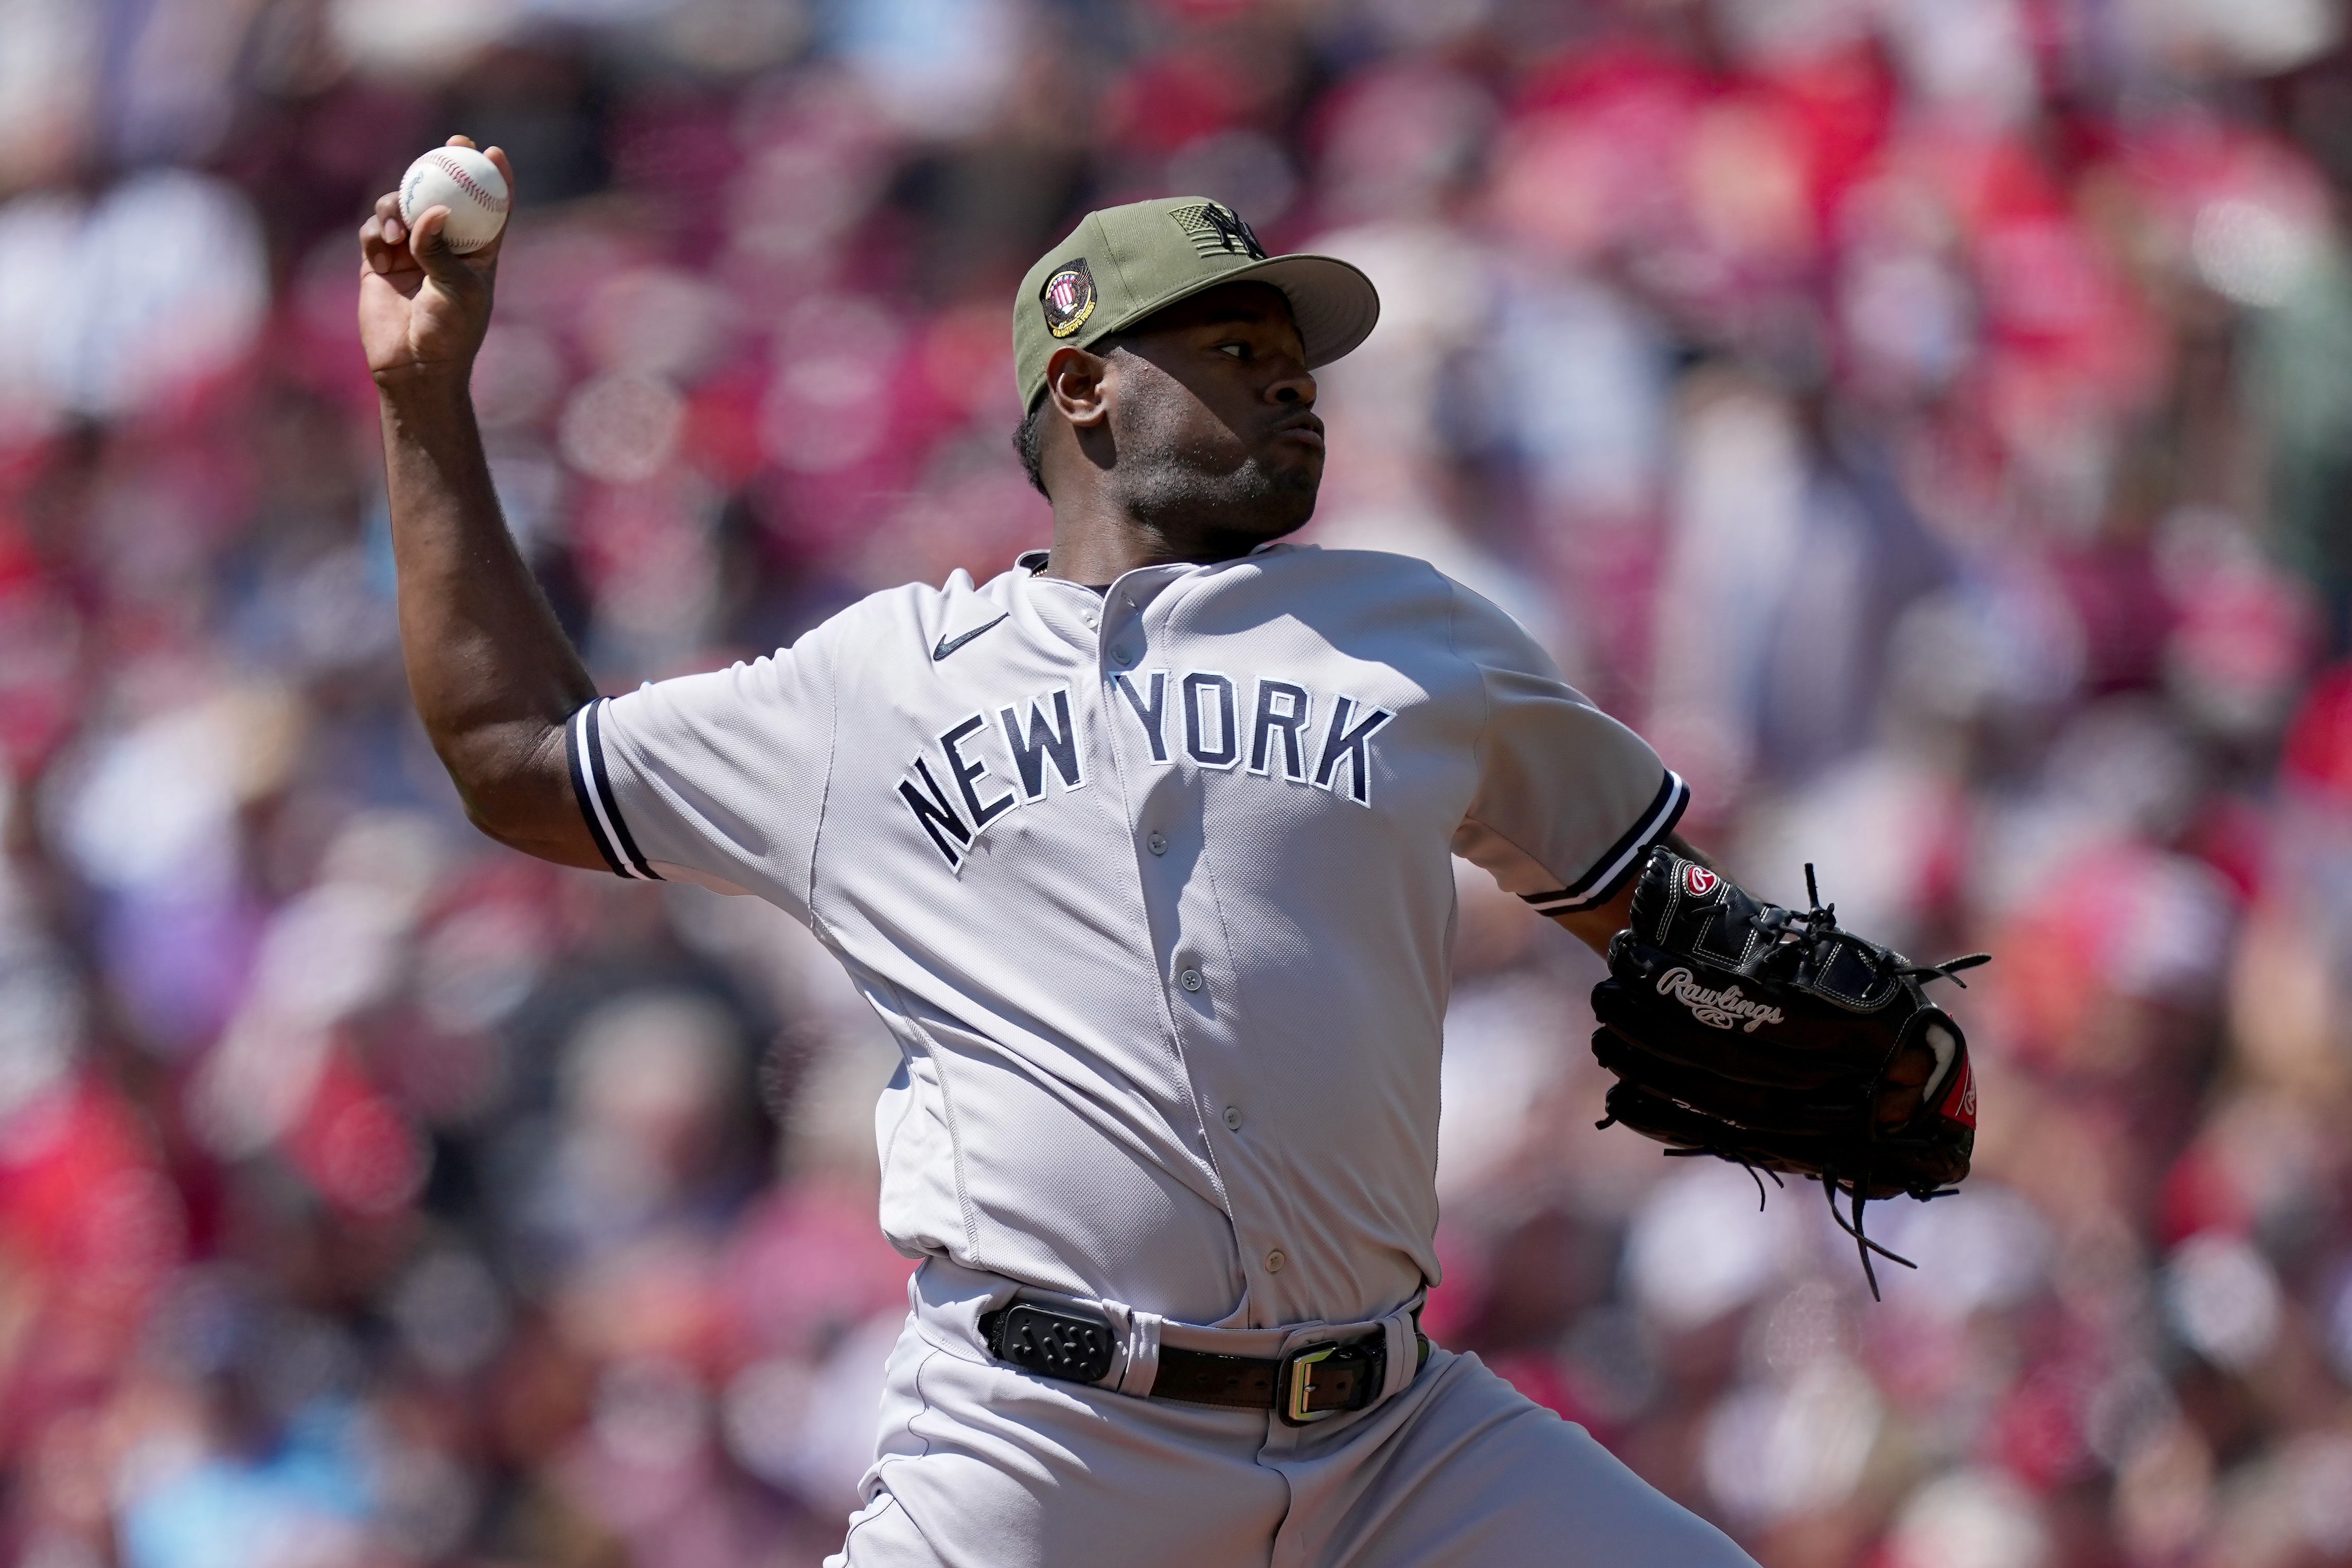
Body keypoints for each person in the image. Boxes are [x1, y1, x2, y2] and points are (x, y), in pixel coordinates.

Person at [360, 136, 1762, 1567]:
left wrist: (1832, 1024)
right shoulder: (883, 688)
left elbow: (1675, 919)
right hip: (1045, 1447)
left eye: (1295, 354)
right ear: (1082, 382)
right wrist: (422, 398)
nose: (1292, 381)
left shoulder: (1416, 633)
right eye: (1233, 345)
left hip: (1395, 1439)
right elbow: (517, 758)